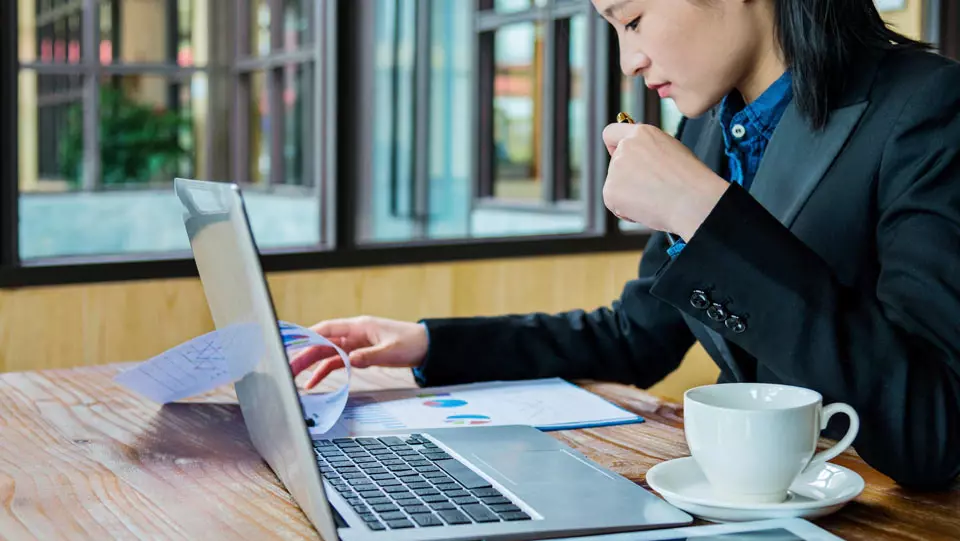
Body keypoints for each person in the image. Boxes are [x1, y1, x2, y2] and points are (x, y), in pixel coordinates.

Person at [291, 0, 960, 489]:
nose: (628, 61)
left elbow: (932, 430)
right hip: (743, 502)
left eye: (633, 20)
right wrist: (432, 342)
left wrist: (706, 212)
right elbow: (634, 335)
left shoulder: (926, 106)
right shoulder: (708, 130)